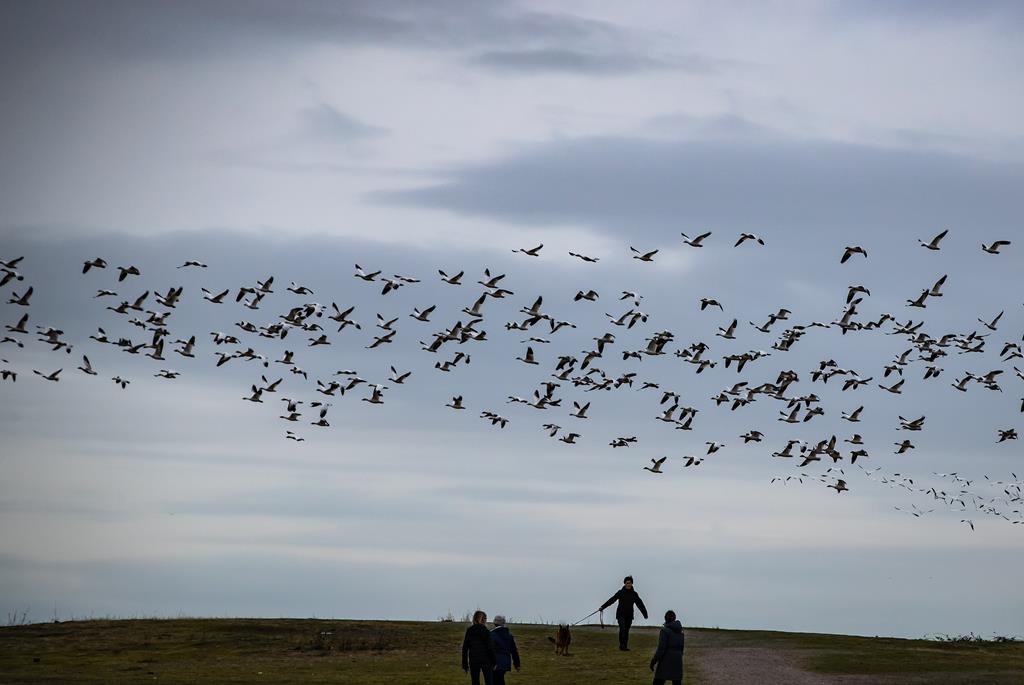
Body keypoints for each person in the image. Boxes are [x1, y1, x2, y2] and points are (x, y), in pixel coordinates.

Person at [599, 574, 648, 650]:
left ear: (632, 584)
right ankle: (622, 645)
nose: (628, 584)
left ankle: (624, 646)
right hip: (620, 615)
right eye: (627, 583)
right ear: (624, 584)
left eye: (630, 583)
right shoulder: (620, 592)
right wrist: (603, 607)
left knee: (626, 631)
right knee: (623, 628)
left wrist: (645, 614)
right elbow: (612, 600)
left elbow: (640, 604)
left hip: (629, 615)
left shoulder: (634, 594)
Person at [649, 609, 685, 685]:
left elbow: (661, 649)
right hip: (677, 658)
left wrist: (653, 661)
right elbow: (681, 648)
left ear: (665, 618)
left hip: (666, 658)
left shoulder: (664, 631)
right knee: (677, 681)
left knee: (658, 681)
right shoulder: (681, 632)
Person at [461, 610, 496, 685]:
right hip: (486, 660)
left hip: (474, 659)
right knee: (489, 681)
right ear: (483, 619)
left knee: (475, 682)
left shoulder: (469, 631)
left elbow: (465, 648)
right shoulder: (486, 631)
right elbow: (490, 648)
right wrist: (494, 661)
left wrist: (465, 664)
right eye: (485, 618)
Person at [489, 615, 520, 685]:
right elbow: (514, 651)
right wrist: (517, 664)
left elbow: (489, 649)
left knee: (495, 680)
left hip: (495, 661)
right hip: (506, 662)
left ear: (494, 623)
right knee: (500, 678)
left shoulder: (491, 634)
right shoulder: (509, 635)